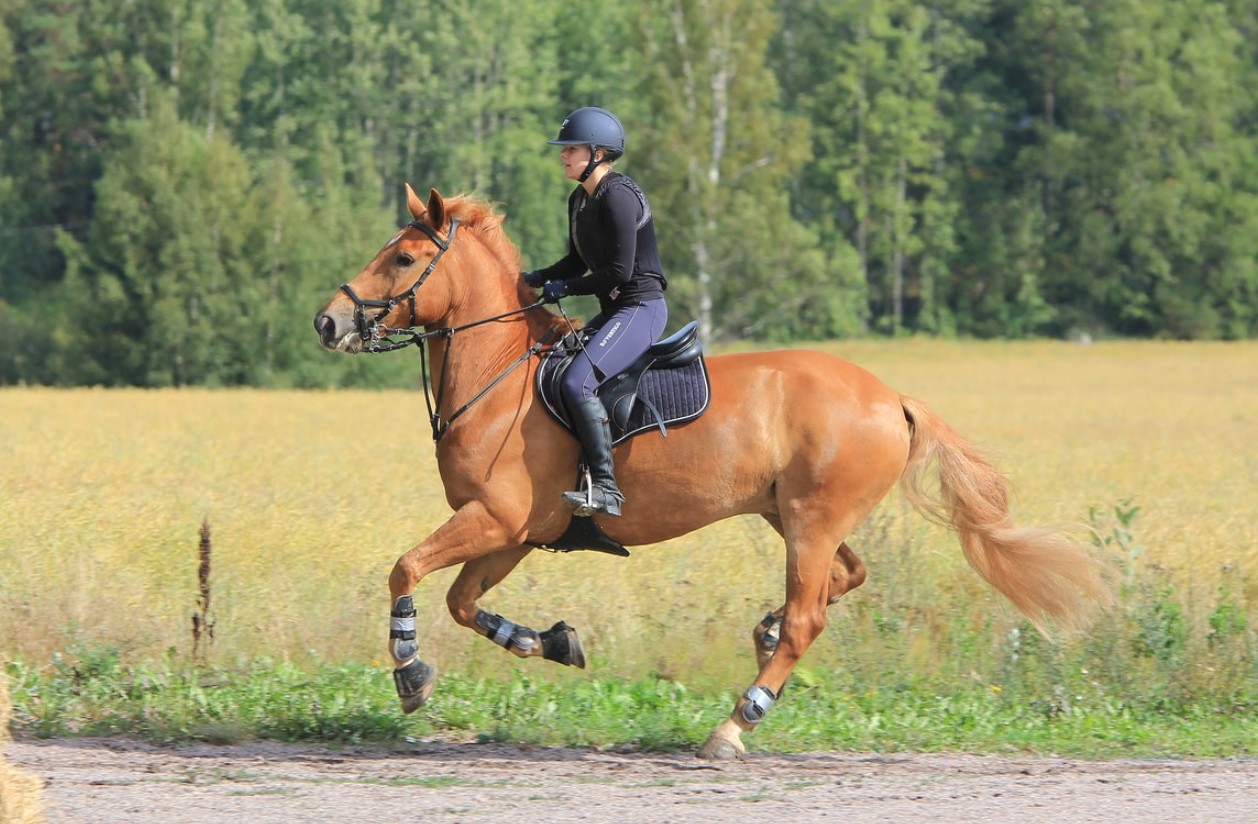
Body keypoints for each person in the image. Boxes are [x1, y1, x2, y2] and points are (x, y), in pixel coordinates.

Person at [524, 107, 669, 518]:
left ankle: (606, 488)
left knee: (576, 382)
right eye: (564, 149)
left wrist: (565, 289)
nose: (563, 155)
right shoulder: (579, 200)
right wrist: (532, 278)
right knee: (554, 367)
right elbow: (576, 263)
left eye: (571, 149)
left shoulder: (618, 196)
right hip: (617, 309)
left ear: (599, 153)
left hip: (642, 308)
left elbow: (619, 272)